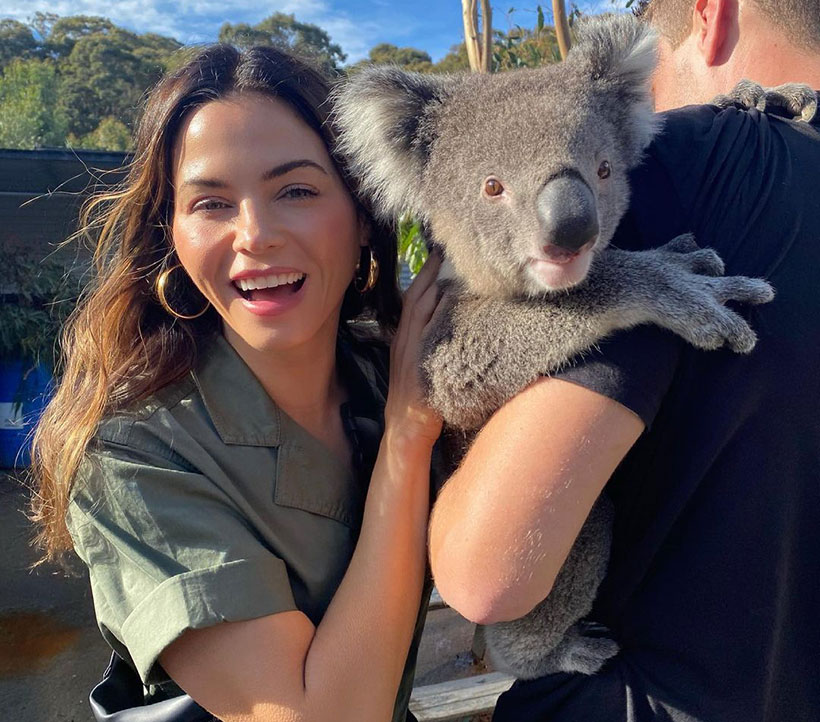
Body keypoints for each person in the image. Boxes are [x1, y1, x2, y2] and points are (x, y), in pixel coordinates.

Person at [427, 0, 820, 720]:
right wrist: (632, 282)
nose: (650, 120)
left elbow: (487, 575)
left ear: (712, 16)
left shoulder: (680, 167)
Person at [30, 45, 442, 722]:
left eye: (297, 191)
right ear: (173, 236)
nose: (255, 235)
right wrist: (408, 437)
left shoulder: (379, 373)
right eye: (212, 202)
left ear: (364, 213)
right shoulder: (134, 454)